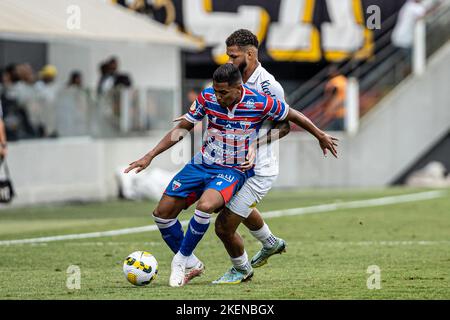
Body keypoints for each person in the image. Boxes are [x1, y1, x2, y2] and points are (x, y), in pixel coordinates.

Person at [125, 63, 293, 287]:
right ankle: (193, 264)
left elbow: (291, 120)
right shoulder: (208, 97)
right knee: (162, 214)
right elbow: (182, 129)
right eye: (215, 91)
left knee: (210, 210)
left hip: (233, 168)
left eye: (222, 92)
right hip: (203, 163)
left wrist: (319, 134)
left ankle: (181, 259)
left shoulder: (261, 99)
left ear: (237, 87)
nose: (218, 96)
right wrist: (150, 156)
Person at [212, 30, 338, 283]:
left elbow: (284, 126)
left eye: (233, 56)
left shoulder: (268, 86)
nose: (228, 60)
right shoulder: (232, 79)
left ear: (250, 53)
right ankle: (271, 243)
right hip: (235, 163)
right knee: (226, 205)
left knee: (224, 225)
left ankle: (241, 269)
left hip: (259, 167)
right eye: (227, 55)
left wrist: (254, 143)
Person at [321, 65, 347, 131]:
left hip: (334, 112)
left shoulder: (333, 82)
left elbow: (329, 95)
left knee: (332, 132)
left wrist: (326, 105)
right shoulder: (344, 80)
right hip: (345, 111)